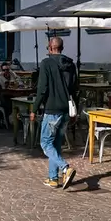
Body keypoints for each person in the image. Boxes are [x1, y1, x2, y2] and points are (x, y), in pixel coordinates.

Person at [30, 36, 77, 190]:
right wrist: (75, 110)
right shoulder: (70, 64)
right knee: (55, 144)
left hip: (52, 109)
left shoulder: (46, 63)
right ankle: (53, 178)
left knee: (45, 143)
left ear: (50, 48)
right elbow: (75, 88)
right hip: (66, 109)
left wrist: (34, 108)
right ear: (61, 48)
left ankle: (65, 168)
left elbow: (42, 89)